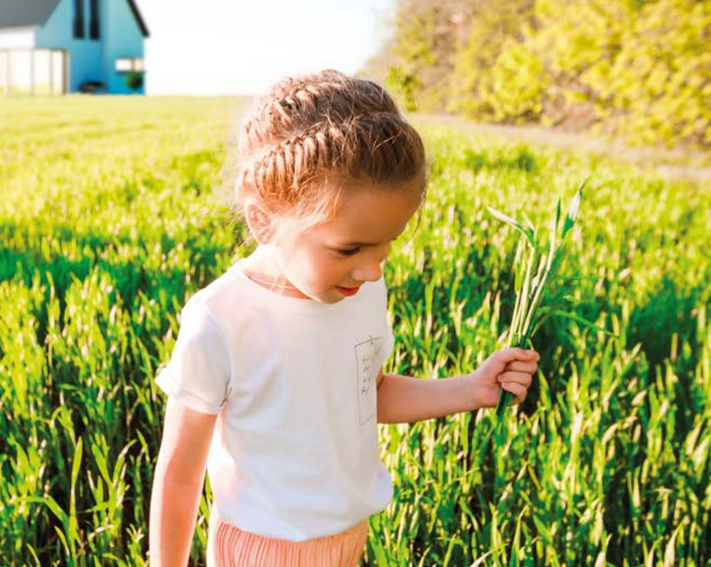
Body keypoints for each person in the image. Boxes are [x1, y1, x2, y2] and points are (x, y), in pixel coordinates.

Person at [149, 71, 541, 567]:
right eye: (349, 248)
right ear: (263, 221)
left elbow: (364, 392)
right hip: (263, 550)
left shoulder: (360, 287)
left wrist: (473, 389)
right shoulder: (221, 319)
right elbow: (180, 473)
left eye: (387, 243)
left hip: (347, 538)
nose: (373, 267)